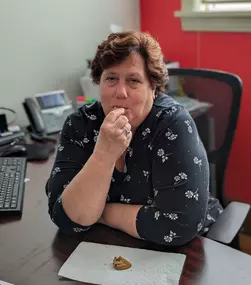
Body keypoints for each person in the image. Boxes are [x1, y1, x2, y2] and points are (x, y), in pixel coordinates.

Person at [45, 31, 223, 246]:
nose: (120, 93)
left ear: (153, 87)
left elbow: (177, 226)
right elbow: (66, 219)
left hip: (190, 249)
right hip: (111, 246)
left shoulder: (172, 124)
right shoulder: (80, 124)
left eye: (133, 80)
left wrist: (101, 213)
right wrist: (104, 155)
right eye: (111, 78)